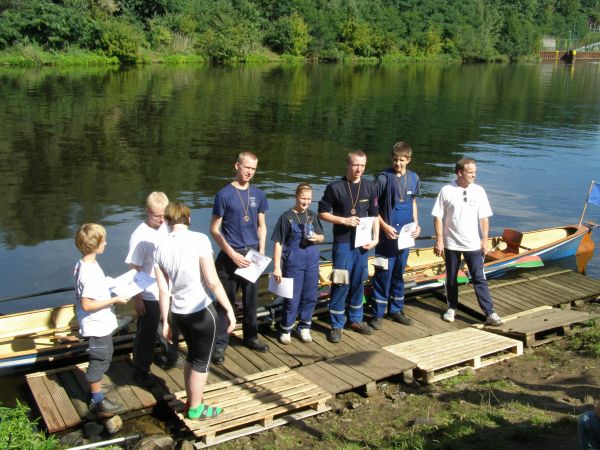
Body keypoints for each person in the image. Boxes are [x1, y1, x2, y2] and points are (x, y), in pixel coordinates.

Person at [155, 202, 236, 420]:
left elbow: (163, 290)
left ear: (168, 221)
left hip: (178, 313)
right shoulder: (199, 239)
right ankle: (196, 409)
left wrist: (165, 321)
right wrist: (229, 309)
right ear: (188, 219)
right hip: (201, 311)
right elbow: (212, 281)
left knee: (192, 355)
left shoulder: (160, 247)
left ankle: (192, 401)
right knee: (202, 361)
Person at [210, 151, 269, 364]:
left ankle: (251, 337)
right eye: (246, 168)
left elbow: (262, 226)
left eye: (253, 169)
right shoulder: (224, 195)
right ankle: (220, 344)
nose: (250, 172)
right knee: (225, 303)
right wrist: (231, 253)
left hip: (252, 255)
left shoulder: (259, 194)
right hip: (230, 255)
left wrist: (261, 250)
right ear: (237, 166)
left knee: (251, 300)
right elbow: (215, 229)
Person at [431, 157, 503, 326]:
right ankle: (451, 308)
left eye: (475, 172)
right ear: (460, 173)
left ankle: (490, 312)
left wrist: (485, 240)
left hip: (473, 244)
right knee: (451, 278)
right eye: (470, 172)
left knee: (479, 278)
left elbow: (484, 217)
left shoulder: (479, 191)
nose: (474, 176)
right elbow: (438, 217)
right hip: (451, 244)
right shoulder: (446, 190)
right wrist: (439, 240)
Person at [318, 150, 379, 343]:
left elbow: (375, 215)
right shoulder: (335, 187)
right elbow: (322, 213)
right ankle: (336, 324)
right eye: (355, 165)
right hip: (343, 244)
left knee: (358, 280)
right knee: (341, 282)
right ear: (348, 164)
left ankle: (355, 319)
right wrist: (343, 220)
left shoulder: (370, 187)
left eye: (362, 165)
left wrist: (376, 238)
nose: (358, 169)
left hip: (362, 244)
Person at [125, 191, 181, 387]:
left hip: (168, 289)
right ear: (147, 212)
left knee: (172, 324)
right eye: (157, 216)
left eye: (164, 216)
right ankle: (141, 369)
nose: (161, 220)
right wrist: (138, 299)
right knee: (147, 332)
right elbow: (134, 269)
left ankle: (170, 355)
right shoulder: (139, 236)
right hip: (149, 292)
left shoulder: (166, 226)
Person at [74, 223, 127, 418]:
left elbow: (95, 288)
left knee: (106, 354)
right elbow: (87, 305)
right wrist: (115, 299)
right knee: (99, 359)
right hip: (96, 325)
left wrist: (111, 284)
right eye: (103, 240)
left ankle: (95, 388)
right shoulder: (87, 272)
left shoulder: (87, 263)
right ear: (94, 245)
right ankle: (96, 399)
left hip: (102, 322)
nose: (106, 242)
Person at [370, 142, 421, 330]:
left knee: (399, 273)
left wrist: (417, 224)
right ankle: (377, 314)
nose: (398, 163)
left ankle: (396, 310)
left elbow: (413, 202)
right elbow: (373, 209)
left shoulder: (414, 178)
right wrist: (384, 227)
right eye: (395, 159)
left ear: (408, 160)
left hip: (405, 237)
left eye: (401, 160)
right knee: (383, 273)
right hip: (386, 238)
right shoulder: (383, 179)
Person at [271, 183, 325, 344]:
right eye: (303, 198)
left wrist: (317, 237)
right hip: (293, 261)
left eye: (308, 199)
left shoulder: (312, 215)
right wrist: (276, 267)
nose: (305, 202)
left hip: (311, 261)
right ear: (296, 196)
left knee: (310, 295)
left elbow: (322, 237)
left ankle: (304, 327)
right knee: (292, 297)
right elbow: (278, 243)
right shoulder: (286, 217)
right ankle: (286, 328)